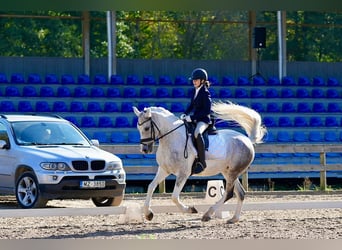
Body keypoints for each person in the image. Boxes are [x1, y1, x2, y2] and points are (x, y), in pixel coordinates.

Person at [180, 68, 212, 174]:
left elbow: (207, 111)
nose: (194, 82)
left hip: (204, 120)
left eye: (196, 80)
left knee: (197, 133)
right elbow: (192, 105)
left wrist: (192, 118)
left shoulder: (205, 93)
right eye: (193, 80)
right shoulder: (195, 90)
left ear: (202, 81)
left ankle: (202, 162)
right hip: (195, 118)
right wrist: (185, 113)